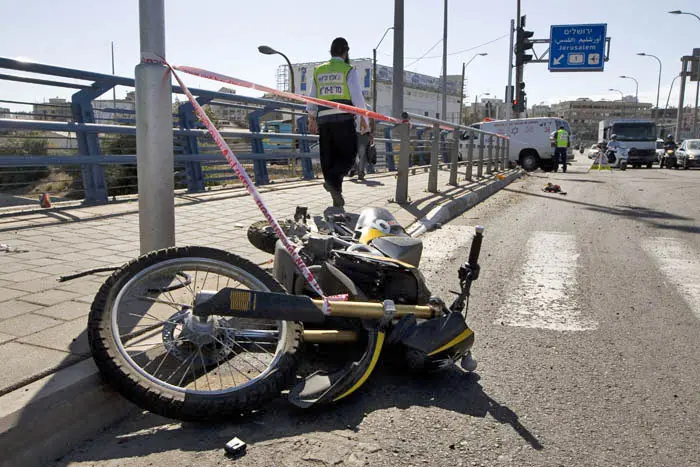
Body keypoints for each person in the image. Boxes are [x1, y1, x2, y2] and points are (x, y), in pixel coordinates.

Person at [306, 37, 370, 207]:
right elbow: (357, 97)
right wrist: (365, 119)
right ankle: (333, 183)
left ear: (331, 51)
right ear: (345, 52)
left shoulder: (319, 71)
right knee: (349, 156)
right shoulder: (348, 69)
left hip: (324, 120)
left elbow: (312, 95)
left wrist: (311, 118)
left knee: (329, 158)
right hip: (343, 118)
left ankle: (336, 195)